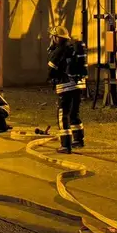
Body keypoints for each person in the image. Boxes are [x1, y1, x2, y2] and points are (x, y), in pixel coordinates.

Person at [47, 25, 87, 154]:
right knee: (74, 113)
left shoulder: (59, 50)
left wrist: (50, 79)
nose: (51, 39)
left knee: (62, 115)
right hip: (78, 85)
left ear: (57, 38)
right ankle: (78, 140)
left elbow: (51, 70)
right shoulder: (72, 48)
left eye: (53, 37)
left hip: (65, 87)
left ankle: (66, 145)